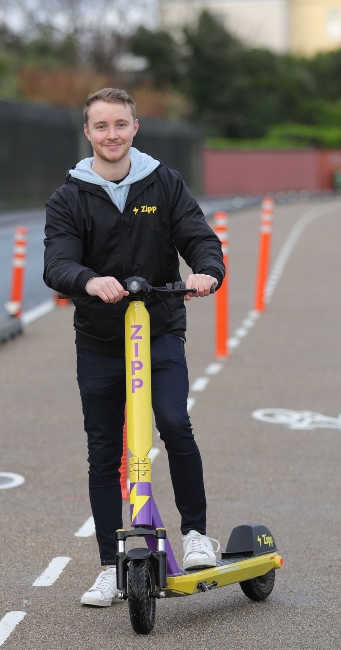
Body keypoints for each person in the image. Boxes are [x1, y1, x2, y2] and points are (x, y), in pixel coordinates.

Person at [43, 88, 225, 607]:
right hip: (100, 339)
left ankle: (195, 536)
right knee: (104, 451)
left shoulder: (163, 183)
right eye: (101, 127)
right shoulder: (69, 197)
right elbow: (56, 261)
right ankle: (108, 565)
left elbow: (197, 237)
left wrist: (207, 271)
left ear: (135, 128)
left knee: (172, 420)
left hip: (160, 327)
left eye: (120, 125)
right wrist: (87, 279)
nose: (112, 135)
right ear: (88, 133)